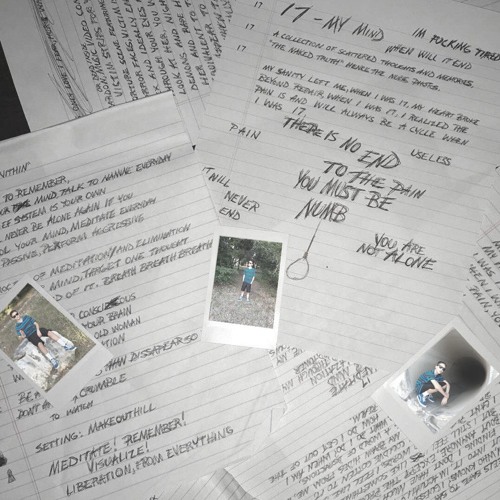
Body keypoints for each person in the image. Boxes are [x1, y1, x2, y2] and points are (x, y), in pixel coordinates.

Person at [10, 309, 76, 370]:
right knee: (39, 344)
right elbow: (20, 337)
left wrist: (38, 330)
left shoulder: (26, 317)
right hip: (30, 336)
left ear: (18, 313)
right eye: (14, 316)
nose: (16, 316)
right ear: (13, 318)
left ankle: (65, 345)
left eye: (16, 314)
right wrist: (22, 336)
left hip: (36, 330)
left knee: (49, 332)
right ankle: (52, 359)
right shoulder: (17, 327)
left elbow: (35, 323)